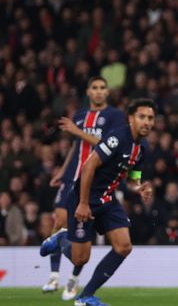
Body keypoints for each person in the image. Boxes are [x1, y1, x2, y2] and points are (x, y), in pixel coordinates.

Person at [39, 76, 126, 300]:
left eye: (102, 88)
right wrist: (62, 171)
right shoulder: (79, 116)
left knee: (81, 245)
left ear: (107, 93)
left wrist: (76, 131)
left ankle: (74, 279)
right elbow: (77, 147)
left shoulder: (115, 116)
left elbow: (109, 146)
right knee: (58, 221)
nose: (98, 92)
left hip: (95, 182)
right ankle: (54, 275)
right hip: (73, 176)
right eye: (94, 88)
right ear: (88, 92)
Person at [65, 98, 156, 306]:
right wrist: (84, 203)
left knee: (124, 246)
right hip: (84, 197)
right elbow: (89, 167)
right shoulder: (117, 138)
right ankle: (61, 240)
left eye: (150, 118)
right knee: (80, 259)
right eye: (142, 117)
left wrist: (139, 188)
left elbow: (133, 179)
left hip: (108, 199)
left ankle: (85, 296)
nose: (147, 122)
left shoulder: (141, 149)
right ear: (131, 119)